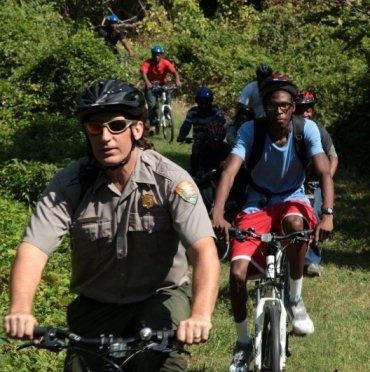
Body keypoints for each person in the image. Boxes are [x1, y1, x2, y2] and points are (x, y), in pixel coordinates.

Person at [4, 79, 220, 372]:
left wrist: (200, 316)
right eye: (95, 127)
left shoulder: (169, 181)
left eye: (116, 125)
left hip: (159, 297)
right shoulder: (70, 185)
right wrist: (20, 310)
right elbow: (33, 249)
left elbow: (203, 249)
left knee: (162, 363)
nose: (105, 137)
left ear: (137, 129)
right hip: (97, 305)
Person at [212, 73, 334, 371]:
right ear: (263, 107)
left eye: (284, 107)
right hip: (257, 202)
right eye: (272, 106)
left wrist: (327, 213)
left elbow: (324, 172)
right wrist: (217, 212)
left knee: (295, 225)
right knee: (238, 275)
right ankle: (242, 343)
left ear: (293, 107)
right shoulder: (249, 131)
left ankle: (294, 298)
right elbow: (229, 171)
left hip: (293, 198)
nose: (278, 113)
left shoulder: (308, 130)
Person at [295, 89, 339, 277]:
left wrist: (325, 179)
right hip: (293, 182)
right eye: (303, 108)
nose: (306, 113)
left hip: (315, 183)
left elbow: (333, 157)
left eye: (309, 109)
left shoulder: (319, 130)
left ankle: (312, 261)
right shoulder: (290, 129)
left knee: (314, 218)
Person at [177, 87, 226, 176]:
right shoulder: (193, 112)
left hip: (214, 141)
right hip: (198, 142)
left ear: (210, 101)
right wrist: (181, 136)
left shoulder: (216, 111)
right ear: (197, 101)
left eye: (206, 102)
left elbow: (221, 122)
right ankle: (194, 175)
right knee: (195, 156)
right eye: (201, 102)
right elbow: (186, 125)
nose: (203, 105)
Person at [226, 63, 272, 146]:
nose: (263, 79)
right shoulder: (250, 88)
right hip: (253, 119)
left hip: (270, 119)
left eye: (266, 77)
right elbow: (241, 106)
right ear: (258, 77)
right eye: (261, 76)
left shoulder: (273, 88)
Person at [140, 45, 182, 135]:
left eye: (159, 55)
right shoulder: (147, 62)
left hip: (162, 85)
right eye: (155, 54)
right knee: (152, 105)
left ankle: (167, 113)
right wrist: (147, 83)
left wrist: (177, 80)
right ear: (152, 54)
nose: (156, 56)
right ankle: (153, 125)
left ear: (161, 55)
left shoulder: (165, 63)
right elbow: (143, 73)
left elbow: (174, 72)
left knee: (168, 99)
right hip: (151, 86)